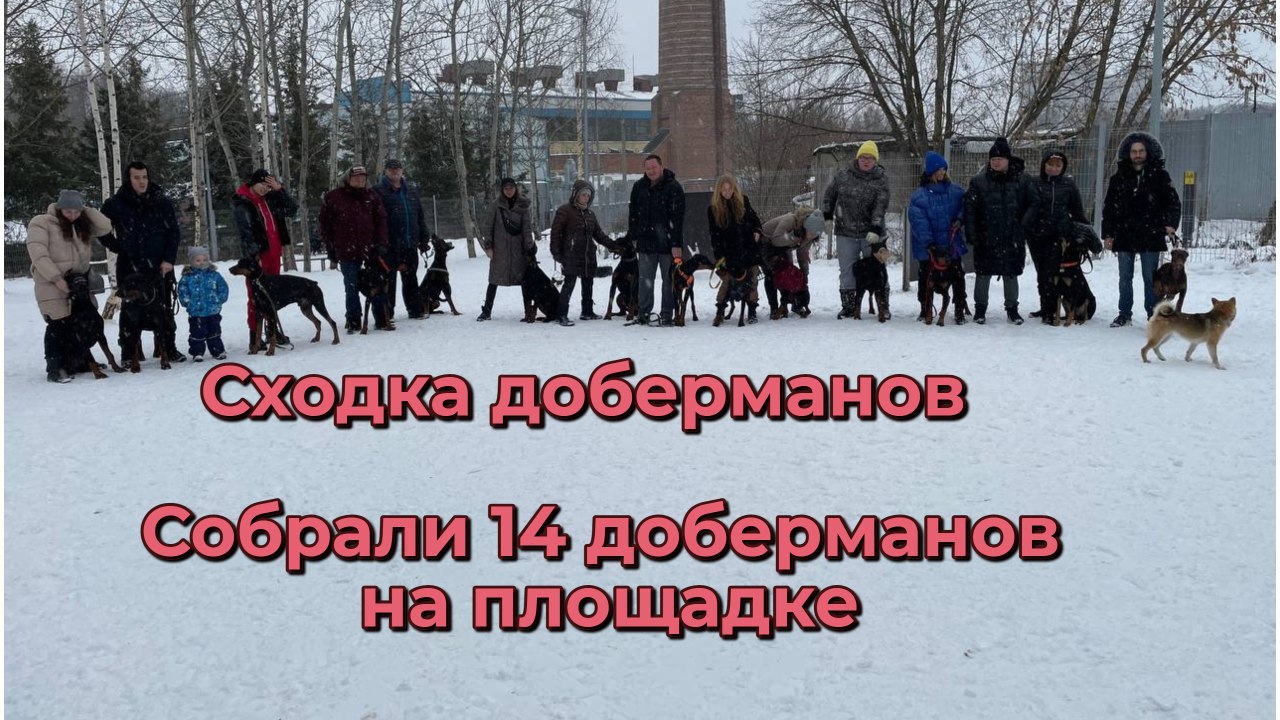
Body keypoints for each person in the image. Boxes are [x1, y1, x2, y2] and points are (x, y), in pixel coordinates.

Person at [26, 190, 114, 383]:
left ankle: (80, 361)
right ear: (59, 208)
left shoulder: (82, 223)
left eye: (76, 211)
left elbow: (106, 226)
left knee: (81, 326)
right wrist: (56, 278)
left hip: (79, 284)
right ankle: (55, 368)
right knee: (57, 325)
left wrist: (86, 210)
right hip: (51, 283)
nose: (72, 215)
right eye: (68, 211)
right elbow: (38, 254)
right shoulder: (41, 222)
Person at [100, 161, 185, 360]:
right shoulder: (116, 203)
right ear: (128, 179)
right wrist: (117, 246)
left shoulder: (161, 200)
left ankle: (167, 349)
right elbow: (100, 228)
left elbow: (173, 231)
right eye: (137, 177)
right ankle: (129, 353)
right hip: (129, 265)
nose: (142, 181)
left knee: (164, 308)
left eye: (144, 177)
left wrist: (168, 259)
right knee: (130, 310)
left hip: (160, 265)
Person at [1102, 132, 1181, 326]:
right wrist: (1108, 234)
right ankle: (1124, 313)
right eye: (1134, 151)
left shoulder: (1160, 177)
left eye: (1141, 151)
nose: (1137, 155)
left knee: (1150, 277)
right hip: (1124, 233)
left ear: (1148, 152)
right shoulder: (1118, 178)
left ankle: (1153, 314)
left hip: (1150, 233)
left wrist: (1170, 224)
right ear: (1128, 153)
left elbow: (1173, 203)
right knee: (1125, 277)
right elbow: (1109, 208)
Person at [964, 137, 1036, 325]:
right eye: (993, 159)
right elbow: (970, 209)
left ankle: (1012, 309)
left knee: (1010, 272)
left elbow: (1034, 204)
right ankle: (980, 309)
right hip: (986, 235)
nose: (996, 162)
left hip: (1012, 235)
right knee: (983, 272)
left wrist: (1022, 226)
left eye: (1000, 158)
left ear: (1008, 159)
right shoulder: (978, 182)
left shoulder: (1023, 180)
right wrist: (972, 233)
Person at [822, 140, 890, 318]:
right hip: (846, 231)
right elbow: (829, 195)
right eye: (863, 157)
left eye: (870, 158)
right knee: (847, 270)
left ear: (875, 161)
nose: (866, 161)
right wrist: (827, 216)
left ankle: (883, 306)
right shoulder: (843, 175)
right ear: (857, 158)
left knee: (878, 269)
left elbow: (881, 205)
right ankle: (849, 306)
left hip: (872, 234)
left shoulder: (881, 179)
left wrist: (875, 228)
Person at [319, 166, 389, 333]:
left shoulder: (372, 196)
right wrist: (330, 248)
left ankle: (381, 319)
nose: (360, 181)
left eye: (363, 178)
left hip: (371, 251)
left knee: (376, 284)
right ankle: (353, 320)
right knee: (351, 286)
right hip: (346, 251)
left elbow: (381, 220)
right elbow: (325, 225)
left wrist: (382, 243)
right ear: (347, 179)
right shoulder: (334, 197)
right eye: (356, 178)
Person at [232, 167, 298, 345]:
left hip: (274, 252)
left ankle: (272, 331)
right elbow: (246, 233)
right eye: (262, 184)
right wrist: (254, 256)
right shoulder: (243, 202)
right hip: (257, 256)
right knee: (255, 296)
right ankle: (255, 335)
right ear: (254, 183)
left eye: (268, 186)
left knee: (272, 294)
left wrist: (279, 190)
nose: (265, 188)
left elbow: (292, 210)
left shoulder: (271, 198)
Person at [1026, 150, 1089, 324]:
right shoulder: (1034, 183)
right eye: (1050, 164)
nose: (1053, 168)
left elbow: (1077, 210)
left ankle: (1051, 311)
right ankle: (1045, 306)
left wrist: (1083, 233)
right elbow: (1027, 207)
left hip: (1059, 237)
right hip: (1037, 235)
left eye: (1058, 165)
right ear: (1044, 165)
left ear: (1063, 167)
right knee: (1041, 274)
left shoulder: (1068, 185)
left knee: (1052, 274)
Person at [909, 152, 969, 324]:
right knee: (926, 278)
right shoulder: (919, 196)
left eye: (944, 169)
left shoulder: (956, 191)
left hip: (951, 244)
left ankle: (959, 309)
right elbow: (919, 222)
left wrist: (959, 219)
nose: (942, 172)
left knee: (958, 276)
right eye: (938, 170)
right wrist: (928, 242)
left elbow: (965, 206)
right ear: (931, 172)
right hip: (929, 247)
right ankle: (925, 308)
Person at [627, 154, 686, 326]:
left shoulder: (673, 187)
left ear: (661, 166)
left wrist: (676, 244)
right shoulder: (639, 187)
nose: (651, 171)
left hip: (668, 244)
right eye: (648, 168)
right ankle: (644, 313)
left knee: (669, 281)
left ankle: (667, 314)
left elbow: (678, 218)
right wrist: (634, 236)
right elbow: (633, 214)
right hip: (645, 243)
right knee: (645, 280)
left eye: (653, 167)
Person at [550, 180, 612, 326]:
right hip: (571, 254)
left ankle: (587, 311)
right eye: (583, 194)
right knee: (569, 284)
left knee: (588, 282)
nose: (586, 198)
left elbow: (598, 234)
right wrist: (556, 253)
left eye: (588, 195)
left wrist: (614, 246)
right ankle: (561, 314)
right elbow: (556, 233)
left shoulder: (590, 214)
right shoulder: (565, 211)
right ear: (576, 195)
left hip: (588, 254)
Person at [373, 158, 427, 320]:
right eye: (391, 169)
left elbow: (419, 216)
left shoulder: (411, 191)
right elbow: (375, 218)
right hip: (389, 245)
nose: (394, 171)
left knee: (411, 278)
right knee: (388, 280)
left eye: (397, 169)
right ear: (386, 171)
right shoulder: (378, 191)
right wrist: (379, 242)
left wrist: (424, 237)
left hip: (410, 242)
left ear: (402, 171)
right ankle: (387, 314)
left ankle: (415, 309)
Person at [707, 174, 764, 325]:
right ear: (718, 191)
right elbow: (714, 236)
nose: (727, 192)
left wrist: (757, 231)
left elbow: (755, 220)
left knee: (752, 280)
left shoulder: (743, 201)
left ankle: (751, 310)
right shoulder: (713, 209)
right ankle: (720, 311)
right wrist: (720, 256)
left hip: (748, 248)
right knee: (727, 281)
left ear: (734, 188)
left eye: (730, 188)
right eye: (724, 189)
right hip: (728, 252)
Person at [477, 177, 536, 321]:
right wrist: (488, 246)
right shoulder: (495, 206)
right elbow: (488, 227)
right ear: (502, 190)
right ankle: (487, 311)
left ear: (516, 188)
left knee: (525, 281)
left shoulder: (523, 205)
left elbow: (527, 229)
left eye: (511, 188)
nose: (509, 191)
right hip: (500, 251)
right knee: (494, 280)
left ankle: (528, 311)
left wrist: (529, 248)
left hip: (518, 251)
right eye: (506, 188)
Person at [760, 208, 823, 318]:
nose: (811, 235)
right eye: (810, 231)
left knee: (789, 274)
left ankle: (793, 304)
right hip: (765, 242)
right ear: (805, 225)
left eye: (815, 233)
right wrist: (793, 236)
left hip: (783, 247)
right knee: (771, 275)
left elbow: (802, 254)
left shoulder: (809, 236)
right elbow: (776, 240)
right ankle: (774, 308)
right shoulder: (790, 220)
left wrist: (804, 275)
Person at [177, 246, 229, 362]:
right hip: (196, 312)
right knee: (197, 332)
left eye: (205, 260)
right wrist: (187, 302)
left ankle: (217, 350)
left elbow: (223, 287)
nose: (202, 262)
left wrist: (219, 299)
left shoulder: (214, 275)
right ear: (191, 261)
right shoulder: (187, 277)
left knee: (214, 331)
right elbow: (182, 290)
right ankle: (197, 352)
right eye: (198, 260)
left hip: (213, 310)